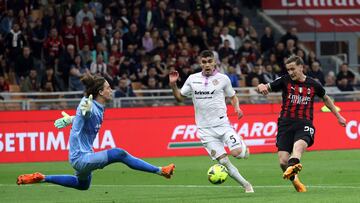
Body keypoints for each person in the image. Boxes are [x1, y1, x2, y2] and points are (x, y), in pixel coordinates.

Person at [17, 74, 175, 189]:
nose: (111, 90)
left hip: (83, 155)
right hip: (81, 158)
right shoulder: (89, 104)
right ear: (100, 92)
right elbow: (86, 111)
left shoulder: (98, 106)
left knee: (82, 185)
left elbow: (84, 118)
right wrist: (82, 112)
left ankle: (42, 178)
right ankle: (161, 171)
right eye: (108, 88)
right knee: (119, 153)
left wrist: (72, 119)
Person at [256, 55, 346, 192]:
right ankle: (295, 179)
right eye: (288, 70)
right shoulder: (284, 80)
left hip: (304, 122)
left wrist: (338, 116)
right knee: (282, 162)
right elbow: (265, 87)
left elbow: (326, 99)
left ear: (301, 67)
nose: (291, 72)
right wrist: (260, 86)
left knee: (298, 148)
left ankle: (294, 164)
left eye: (293, 69)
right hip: (285, 123)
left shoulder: (313, 84)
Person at [169, 50, 254, 193]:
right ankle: (246, 185)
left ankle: (241, 143)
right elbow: (179, 98)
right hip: (205, 130)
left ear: (214, 62)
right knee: (223, 161)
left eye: (209, 61)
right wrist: (173, 85)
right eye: (204, 62)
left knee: (238, 153)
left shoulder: (223, 79)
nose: (207, 65)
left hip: (223, 125)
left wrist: (237, 108)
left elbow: (232, 96)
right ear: (200, 63)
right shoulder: (192, 79)